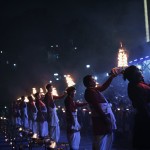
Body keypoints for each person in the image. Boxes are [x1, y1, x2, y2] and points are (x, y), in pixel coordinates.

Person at [83, 73, 117, 150]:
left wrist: (111, 77)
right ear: (89, 82)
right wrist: (105, 118)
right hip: (100, 119)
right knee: (101, 140)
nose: (95, 81)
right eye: (93, 80)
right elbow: (96, 106)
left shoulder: (93, 90)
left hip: (103, 117)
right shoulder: (89, 92)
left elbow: (103, 87)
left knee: (106, 139)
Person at [123, 65, 150, 149]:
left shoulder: (139, 84)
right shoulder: (135, 86)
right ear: (134, 74)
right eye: (138, 70)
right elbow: (142, 105)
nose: (140, 71)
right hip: (145, 117)